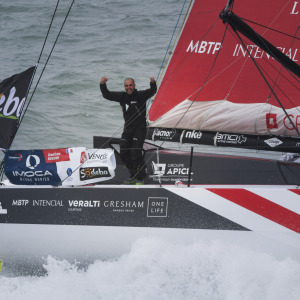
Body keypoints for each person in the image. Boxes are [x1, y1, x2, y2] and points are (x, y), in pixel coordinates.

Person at [100, 76, 157, 184]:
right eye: (126, 86)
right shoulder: (122, 96)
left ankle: (140, 178)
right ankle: (133, 175)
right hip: (128, 129)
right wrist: (102, 84)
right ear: (124, 87)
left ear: (134, 86)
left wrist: (152, 83)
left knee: (135, 152)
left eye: (130, 85)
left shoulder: (140, 95)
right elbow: (106, 95)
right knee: (124, 152)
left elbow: (153, 91)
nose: (128, 87)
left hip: (139, 129)